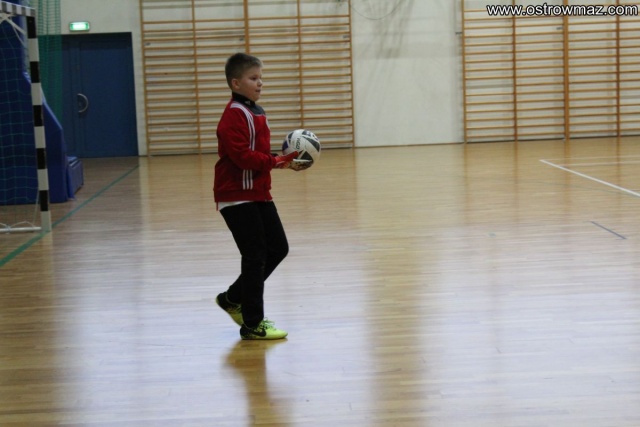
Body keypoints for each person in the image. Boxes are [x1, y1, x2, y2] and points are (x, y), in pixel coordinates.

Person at [213, 52, 309, 340]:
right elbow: (242, 157)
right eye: (253, 78)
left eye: (260, 78)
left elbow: (259, 154)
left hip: (257, 191)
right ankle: (253, 324)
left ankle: (232, 298)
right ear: (236, 83)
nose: (260, 83)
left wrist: (282, 160)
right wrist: (277, 161)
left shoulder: (255, 111)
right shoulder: (234, 114)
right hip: (236, 194)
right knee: (254, 255)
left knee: (277, 248)